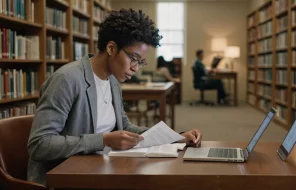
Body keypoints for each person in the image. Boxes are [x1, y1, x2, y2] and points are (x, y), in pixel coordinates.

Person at [27, 9, 202, 185]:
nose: (136, 68)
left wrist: (174, 137)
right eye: (134, 58)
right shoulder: (67, 79)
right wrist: (103, 140)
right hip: (66, 176)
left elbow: (124, 127)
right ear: (111, 48)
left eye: (141, 62)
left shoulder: (112, 81)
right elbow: (39, 144)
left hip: (100, 168)